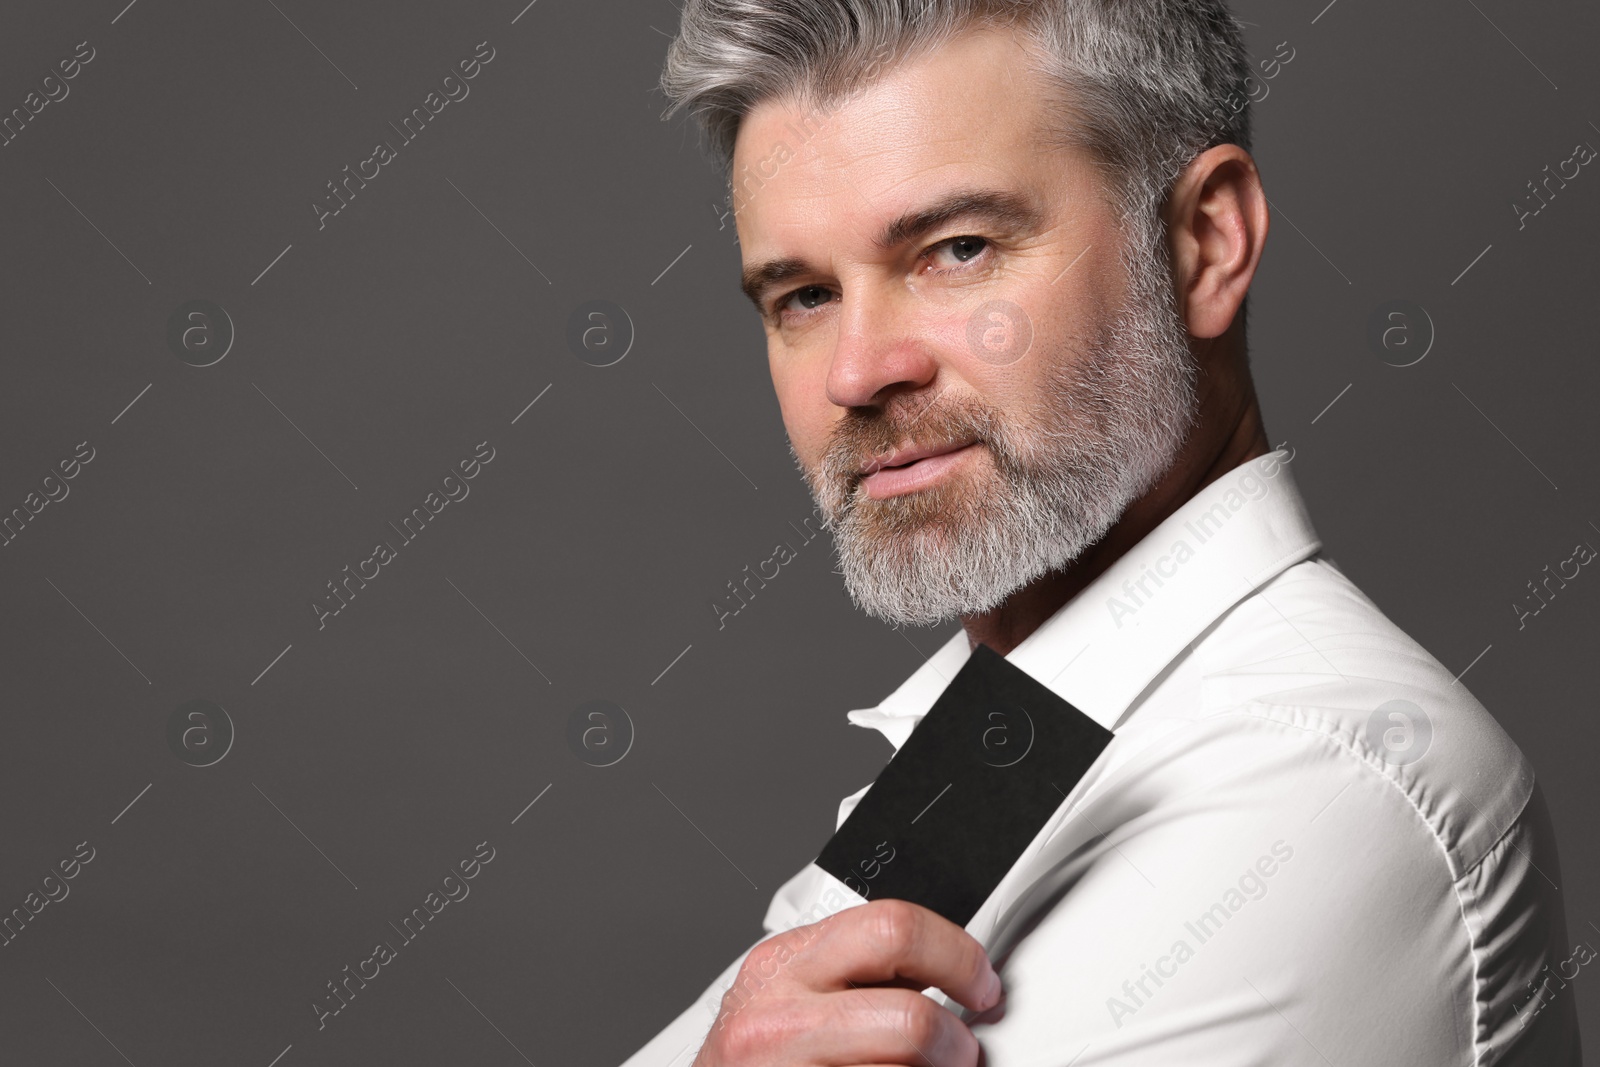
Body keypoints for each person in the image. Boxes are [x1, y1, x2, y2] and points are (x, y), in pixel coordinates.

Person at [625, 1, 1582, 1063]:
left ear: (1205, 243)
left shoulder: (1316, 788)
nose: (855, 372)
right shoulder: (997, 740)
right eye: (803, 294)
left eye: (955, 249)